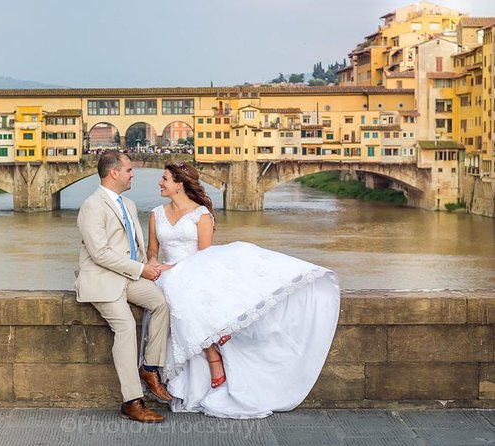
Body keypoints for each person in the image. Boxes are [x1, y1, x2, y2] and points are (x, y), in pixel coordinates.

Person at [146, 161, 341, 419]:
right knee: (175, 290)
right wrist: (153, 265)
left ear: (179, 185)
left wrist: (170, 269)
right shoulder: (156, 214)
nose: (160, 183)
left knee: (184, 291)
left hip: (192, 271)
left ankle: (213, 352)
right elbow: (151, 251)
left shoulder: (201, 215)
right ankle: (215, 344)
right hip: (165, 276)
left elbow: (204, 257)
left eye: (165, 179)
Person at [75, 152, 172, 423]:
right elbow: (100, 253)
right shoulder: (91, 205)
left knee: (161, 302)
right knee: (126, 327)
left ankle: (150, 368)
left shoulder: (127, 204)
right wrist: (141, 270)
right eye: (129, 169)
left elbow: (133, 247)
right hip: (102, 279)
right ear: (114, 173)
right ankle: (132, 401)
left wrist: (149, 268)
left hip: (127, 277)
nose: (133, 174)